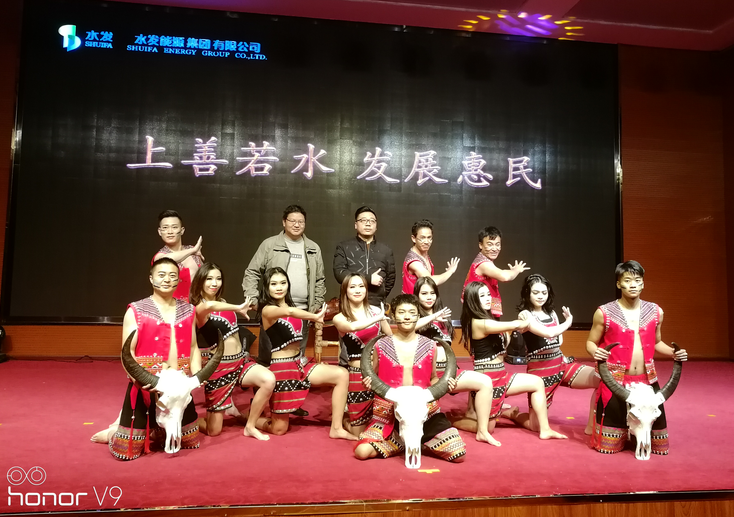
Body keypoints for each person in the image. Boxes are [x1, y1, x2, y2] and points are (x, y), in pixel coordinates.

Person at [92, 257, 203, 460]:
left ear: (179, 280)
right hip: (146, 383)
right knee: (127, 452)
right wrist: (139, 379)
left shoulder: (189, 310)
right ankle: (112, 433)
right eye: (161, 275)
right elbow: (127, 352)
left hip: (178, 384)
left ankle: (156, 431)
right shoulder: (136, 310)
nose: (167, 279)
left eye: (172, 276)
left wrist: (195, 376)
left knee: (190, 442)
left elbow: (194, 346)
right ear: (151, 279)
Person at [586, 260, 687, 455]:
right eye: (627, 280)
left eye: (637, 280)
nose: (633, 285)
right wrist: (594, 351)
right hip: (615, 380)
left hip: (647, 379)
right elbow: (591, 342)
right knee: (608, 447)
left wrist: (674, 353)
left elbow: (657, 342)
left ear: (643, 284)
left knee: (658, 447)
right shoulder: (604, 312)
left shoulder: (656, 312)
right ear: (618, 284)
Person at [354, 294, 467, 463]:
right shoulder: (380, 345)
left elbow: (433, 378)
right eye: (402, 312)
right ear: (394, 316)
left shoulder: (430, 345)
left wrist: (445, 385)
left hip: (425, 413)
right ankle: (403, 441)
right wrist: (368, 384)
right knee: (362, 451)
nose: (407, 317)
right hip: (389, 414)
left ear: (418, 316)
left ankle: (416, 439)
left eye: (412, 313)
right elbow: (373, 375)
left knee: (458, 454)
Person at [258, 267, 357, 440]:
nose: (279, 287)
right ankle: (249, 417)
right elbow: (289, 312)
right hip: (282, 369)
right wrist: (315, 317)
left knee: (342, 374)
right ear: (266, 287)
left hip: (300, 364)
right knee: (279, 429)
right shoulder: (267, 310)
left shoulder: (292, 307)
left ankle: (336, 428)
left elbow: (291, 310)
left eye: (283, 283)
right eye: (273, 284)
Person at [461, 281, 567, 440]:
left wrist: (519, 327)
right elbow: (515, 324)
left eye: (488, 294)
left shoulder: (490, 321)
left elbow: (507, 340)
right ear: (473, 300)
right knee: (488, 429)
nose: (488, 298)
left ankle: (545, 430)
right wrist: (524, 318)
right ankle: (453, 421)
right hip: (488, 381)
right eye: (482, 296)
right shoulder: (478, 322)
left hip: (502, 376)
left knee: (537, 383)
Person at [191, 263, 276, 441]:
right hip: (219, 367)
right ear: (200, 281)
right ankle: (187, 421)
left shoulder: (223, 303)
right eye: (209, 279)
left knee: (268, 380)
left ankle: (250, 425)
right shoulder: (199, 308)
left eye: (218, 278)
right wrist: (237, 307)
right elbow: (210, 306)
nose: (215, 283)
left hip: (240, 361)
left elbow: (218, 306)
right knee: (214, 430)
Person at [414, 277, 500, 446]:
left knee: (484, 381)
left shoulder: (443, 317)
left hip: (448, 371)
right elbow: (409, 326)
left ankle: (481, 430)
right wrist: (433, 317)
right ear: (416, 295)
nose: (429, 297)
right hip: (427, 375)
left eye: (432, 293)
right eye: (424, 293)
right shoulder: (414, 316)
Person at [243, 205, 326, 368]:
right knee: (268, 360)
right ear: (284, 222)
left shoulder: (313, 248)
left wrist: (315, 305)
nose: (297, 225)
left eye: (301, 221)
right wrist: (253, 299)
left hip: (302, 311)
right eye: (292, 221)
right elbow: (252, 272)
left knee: (296, 359)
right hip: (274, 311)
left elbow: (320, 280)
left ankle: (292, 382)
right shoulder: (270, 245)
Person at [516, 274, 599, 435]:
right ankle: (511, 414)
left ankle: (591, 426)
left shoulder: (552, 313)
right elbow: (549, 333)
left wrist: (559, 334)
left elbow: (557, 339)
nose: (540, 296)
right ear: (527, 293)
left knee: (600, 379)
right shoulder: (524, 315)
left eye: (544, 292)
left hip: (561, 364)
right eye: (535, 292)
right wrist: (568, 322)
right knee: (535, 425)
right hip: (540, 372)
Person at [331, 273, 392, 435]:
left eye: (361, 286)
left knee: (385, 424)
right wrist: (378, 318)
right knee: (358, 433)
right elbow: (352, 327)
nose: (357, 290)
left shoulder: (376, 311)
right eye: (352, 287)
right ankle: (345, 418)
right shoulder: (339, 318)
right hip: (357, 374)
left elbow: (390, 337)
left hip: (380, 372)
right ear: (345, 291)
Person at [333, 206, 396, 307]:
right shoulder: (344, 247)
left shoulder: (386, 250)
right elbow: (339, 274)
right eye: (363, 220)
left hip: (376, 304)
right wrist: (368, 278)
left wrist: (380, 294)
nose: (368, 224)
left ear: (376, 226)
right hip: (349, 304)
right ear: (355, 225)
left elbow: (390, 279)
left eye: (372, 221)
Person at [462, 226, 528, 318]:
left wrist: (512, 272)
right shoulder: (483, 264)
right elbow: (504, 277)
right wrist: (516, 270)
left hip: (483, 312)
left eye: (497, 244)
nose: (494, 248)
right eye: (490, 244)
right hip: (480, 314)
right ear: (480, 245)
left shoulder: (484, 261)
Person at [153, 210, 203, 302]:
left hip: (198, 306)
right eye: (165, 228)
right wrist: (192, 251)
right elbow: (166, 259)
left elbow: (204, 278)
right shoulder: (160, 256)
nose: (170, 232)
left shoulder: (193, 250)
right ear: (160, 232)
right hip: (173, 307)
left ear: (182, 230)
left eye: (174, 227)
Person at [401, 219, 460, 294]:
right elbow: (430, 281)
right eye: (422, 238)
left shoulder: (423, 254)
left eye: (429, 237)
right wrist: (449, 272)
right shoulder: (414, 262)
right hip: (412, 301)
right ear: (414, 238)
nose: (426, 242)